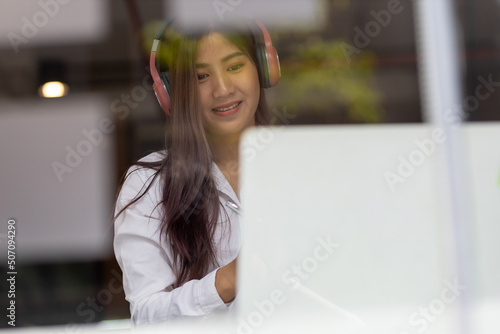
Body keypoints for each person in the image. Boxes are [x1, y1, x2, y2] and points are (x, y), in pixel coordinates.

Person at [113, 17, 280, 326]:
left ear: (264, 68)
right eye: (201, 76)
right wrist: (225, 282)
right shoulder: (148, 185)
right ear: (171, 93)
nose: (223, 89)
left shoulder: (303, 166)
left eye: (234, 67)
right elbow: (147, 318)